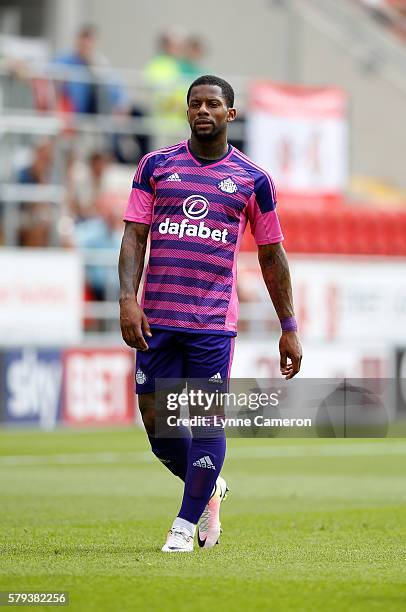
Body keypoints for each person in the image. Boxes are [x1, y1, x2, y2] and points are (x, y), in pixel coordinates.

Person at [118, 75, 302, 553]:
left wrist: (289, 326)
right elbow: (135, 236)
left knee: (205, 422)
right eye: (195, 103)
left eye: (213, 104)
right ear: (186, 112)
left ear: (230, 114)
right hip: (156, 319)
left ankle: (183, 525)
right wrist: (126, 299)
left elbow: (271, 254)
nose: (204, 110)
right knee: (158, 428)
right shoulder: (155, 166)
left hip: (211, 324)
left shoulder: (253, 180)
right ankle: (210, 489)